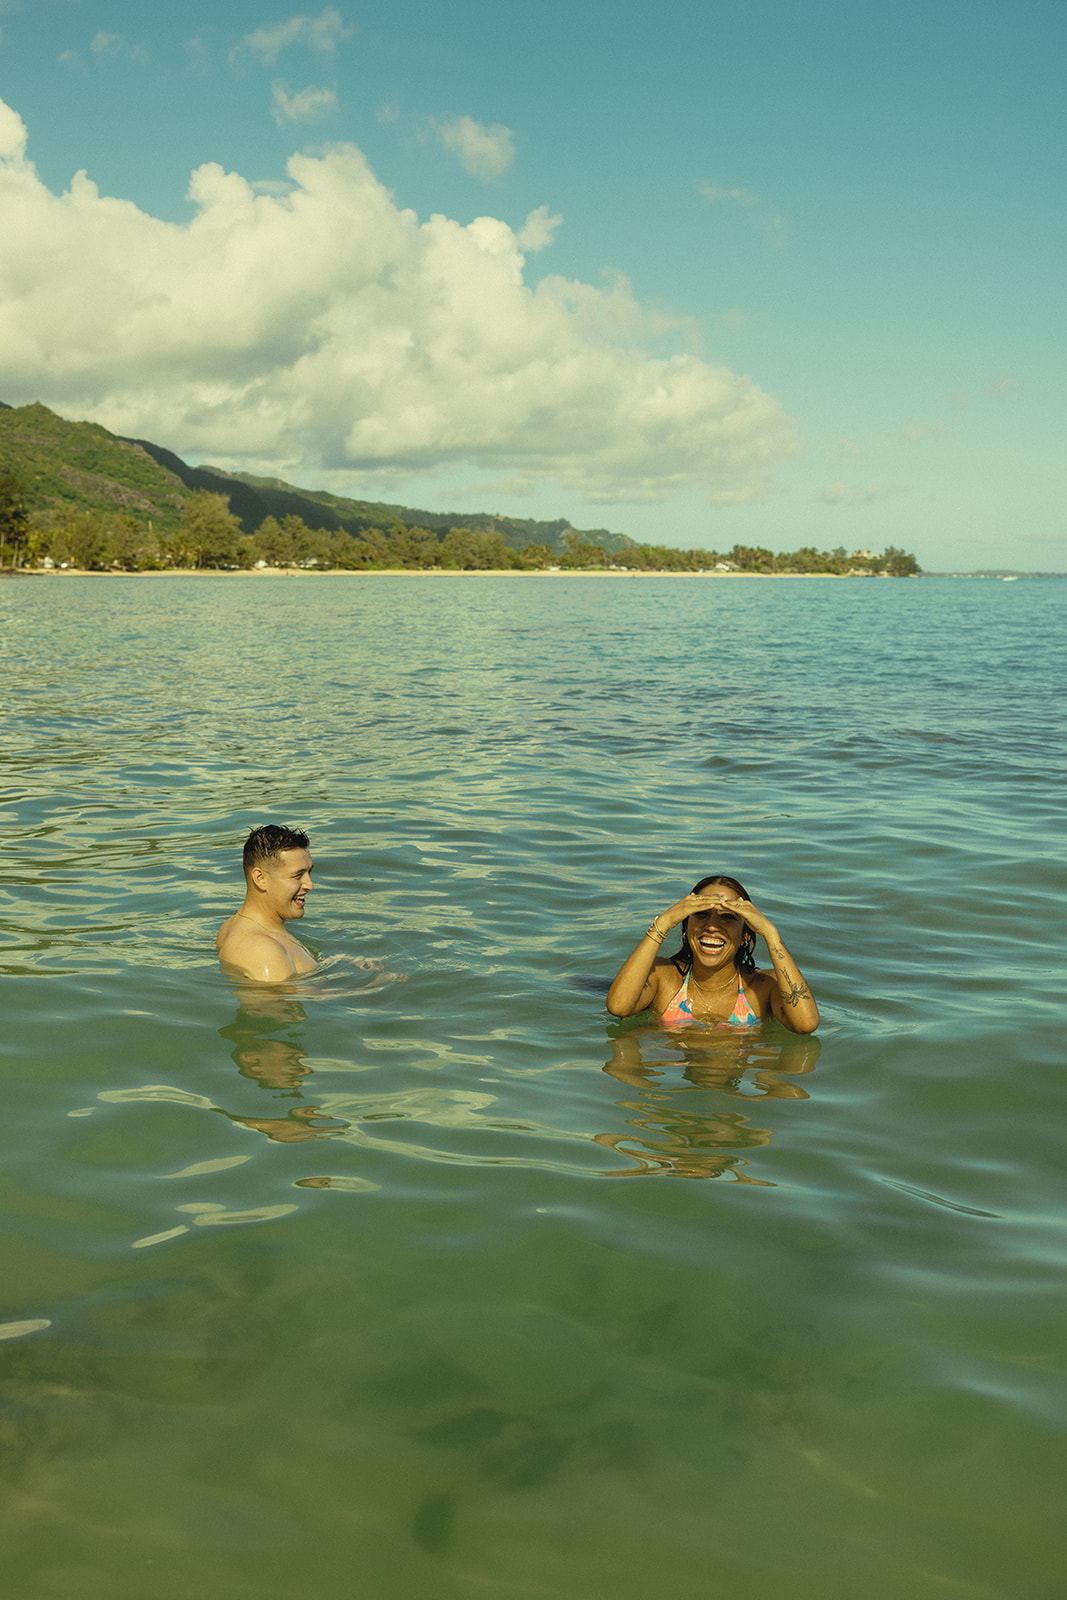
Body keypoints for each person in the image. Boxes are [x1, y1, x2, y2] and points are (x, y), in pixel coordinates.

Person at [605, 875, 819, 1034]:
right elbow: (619, 1007)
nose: (712, 926)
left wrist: (771, 935)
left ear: (745, 935)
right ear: (686, 927)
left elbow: (805, 1025)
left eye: (727, 917)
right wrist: (663, 922)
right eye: (701, 914)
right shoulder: (665, 978)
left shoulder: (762, 988)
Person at [216, 824, 319, 983]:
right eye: (298, 875)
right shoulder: (263, 951)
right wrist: (365, 990)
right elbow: (274, 1005)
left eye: (309, 872)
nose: (310, 885)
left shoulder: (231, 926)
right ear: (260, 878)